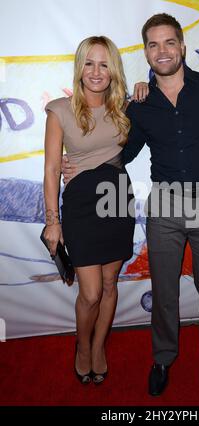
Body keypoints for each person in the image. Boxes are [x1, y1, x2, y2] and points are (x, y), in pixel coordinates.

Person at [62, 14, 199, 396]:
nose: (162, 51)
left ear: (182, 46)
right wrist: (76, 162)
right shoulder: (140, 104)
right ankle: (163, 359)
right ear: (146, 52)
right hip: (164, 203)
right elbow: (119, 153)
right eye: (153, 44)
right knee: (164, 292)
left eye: (169, 43)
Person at [43, 35, 143, 385]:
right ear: (79, 68)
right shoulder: (59, 110)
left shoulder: (125, 107)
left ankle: (99, 346)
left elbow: (161, 106)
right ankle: (82, 346)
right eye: (89, 63)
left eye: (104, 64)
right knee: (91, 293)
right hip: (82, 205)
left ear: (113, 69)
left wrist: (145, 86)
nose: (96, 72)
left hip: (117, 198)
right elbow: (52, 169)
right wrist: (52, 222)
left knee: (110, 284)